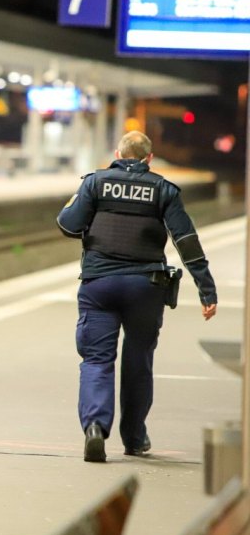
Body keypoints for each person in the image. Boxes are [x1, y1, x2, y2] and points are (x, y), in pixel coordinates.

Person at [57, 131, 218, 463]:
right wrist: (206, 289)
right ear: (149, 158)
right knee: (138, 362)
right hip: (146, 287)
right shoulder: (163, 189)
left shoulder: (95, 183)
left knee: (96, 360)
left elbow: (68, 225)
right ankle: (134, 438)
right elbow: (186, 240)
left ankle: (95, 428)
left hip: (99, 285)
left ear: (117, 153)